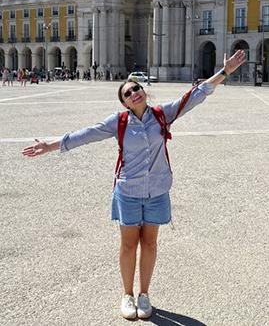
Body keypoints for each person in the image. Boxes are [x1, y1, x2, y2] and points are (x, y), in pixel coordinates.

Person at [22, 50, 246, 320]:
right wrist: (52, 145)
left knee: (150, 245)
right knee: (129, 245)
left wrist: (225, 72)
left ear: (144, 92)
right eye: (128, 93)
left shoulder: (163, 114)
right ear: (125, 102)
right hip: (127, 192)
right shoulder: (118, 122)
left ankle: (144, 294)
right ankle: (127, 295)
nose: (134, 93)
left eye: (136, 88)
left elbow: (196, 94)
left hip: (157, 192)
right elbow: (86, 134)